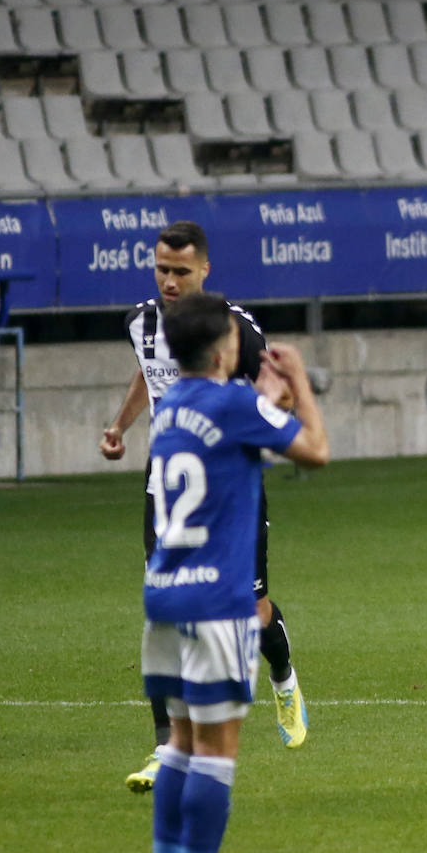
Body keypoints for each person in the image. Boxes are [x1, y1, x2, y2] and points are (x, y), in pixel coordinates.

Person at [139, 291, 329, 853]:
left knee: (179, 743)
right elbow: (316, 450)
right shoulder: (235, 404)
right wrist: (299, 383)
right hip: (218, 602)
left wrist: (265, 402)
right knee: (217, 753)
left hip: (164, 596)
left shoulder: (170, 408)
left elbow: (229, 441)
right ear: (224, 348)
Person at [100, 221, 309, 793]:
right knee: (165, 607)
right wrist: (120, 426)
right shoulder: (141, 322)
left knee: (252, 605)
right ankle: (165, 748)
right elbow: (149, 373)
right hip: (168, 487)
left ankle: (283, 678)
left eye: (181, 271)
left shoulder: (234, 327)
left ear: (205, 270)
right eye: (161, 269)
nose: (169, 281)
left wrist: (265, 415)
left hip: (232, 487)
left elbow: (277, 387)